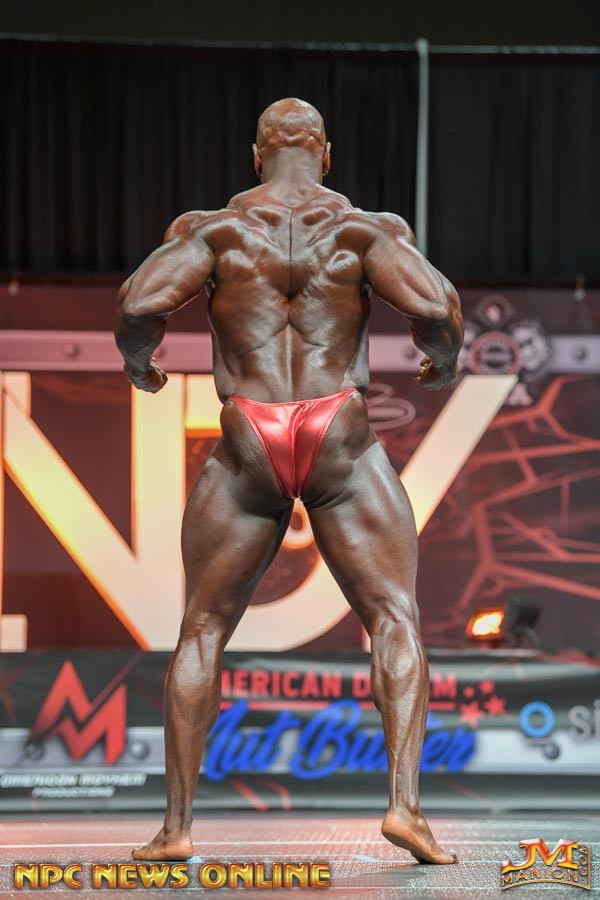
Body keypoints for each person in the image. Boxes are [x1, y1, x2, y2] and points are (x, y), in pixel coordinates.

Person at [115, 98, 464, 864]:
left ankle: (176, 828)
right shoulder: (366, 231)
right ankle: (405, 808)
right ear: (326, 154)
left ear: (256, 154)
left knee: (203, 629)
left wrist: (142, 363)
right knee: (394, 618)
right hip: (339, 433)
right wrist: (441, 360)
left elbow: (139, 303)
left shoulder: (213, 231)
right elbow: (438, 307)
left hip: (249, 433)